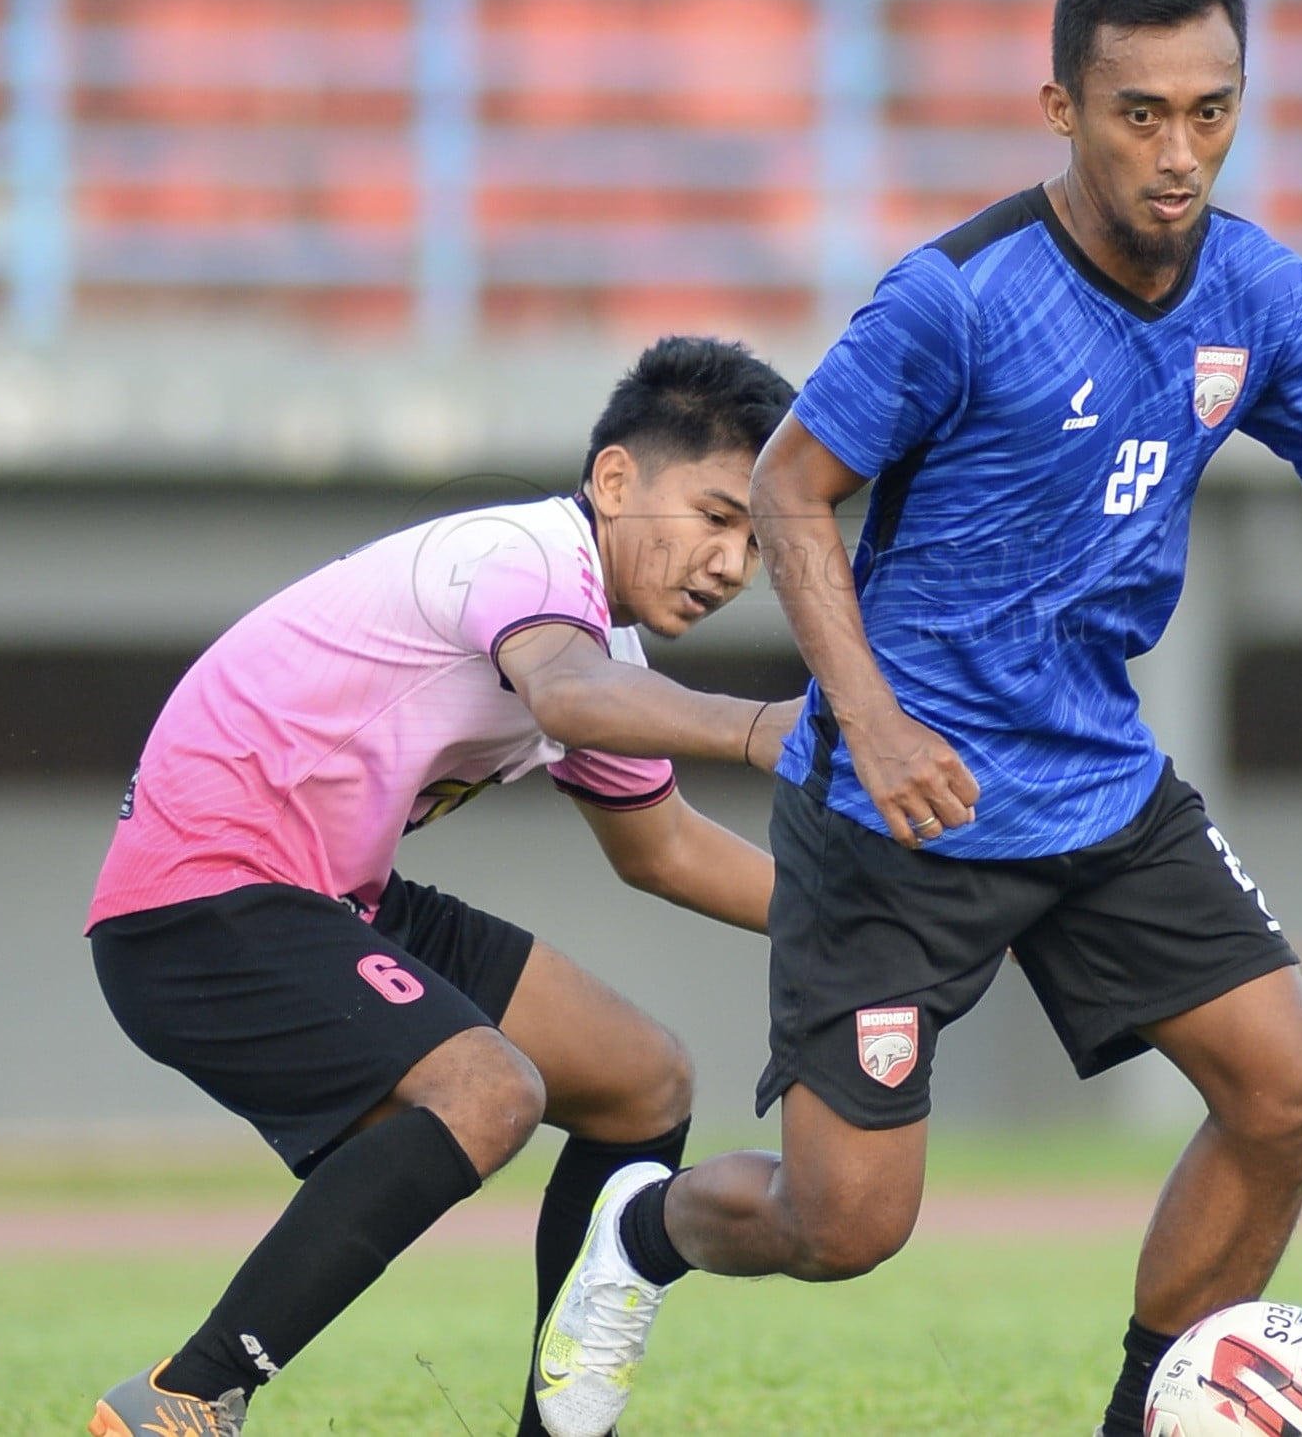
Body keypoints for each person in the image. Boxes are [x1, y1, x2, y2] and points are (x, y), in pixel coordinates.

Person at [528, 0, 1302, 1437]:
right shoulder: (956, 299)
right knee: (845, 1226)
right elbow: (792, 496)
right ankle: (641, 1234)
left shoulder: (1258, 294)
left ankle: (1144, 1419)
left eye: (1211, 109)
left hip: (1101, 784)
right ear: (1060, 107)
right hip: (899, 812)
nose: (1178, 153)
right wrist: (872, 718)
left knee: (1291, 1094)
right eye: (1139, 113)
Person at [81, 336, 800, 1437]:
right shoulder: (523, 556)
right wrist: (763, 729)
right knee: (488, 1089)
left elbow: (660, 849)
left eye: (755, 539)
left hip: (326, 894)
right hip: (201, 904)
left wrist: (874, 926)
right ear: (615, 480)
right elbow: (567, 701)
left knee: (641, 1080)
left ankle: (560, 1431)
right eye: (714, 516)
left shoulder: (598, 647)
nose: (730, 565)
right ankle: (183, 1397)